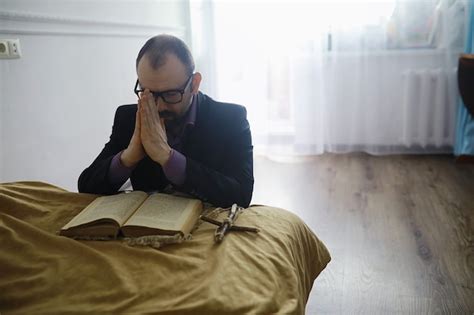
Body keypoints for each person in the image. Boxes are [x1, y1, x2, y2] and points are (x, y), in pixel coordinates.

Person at [78, 34, 254, 208]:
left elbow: (241, 195)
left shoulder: (231, 119)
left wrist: (169, 159)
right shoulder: (128, 118)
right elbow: (85, 187)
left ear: (194, 84)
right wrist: (128, 157)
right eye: (149, 94)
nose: (159, 106)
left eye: (171, 94)